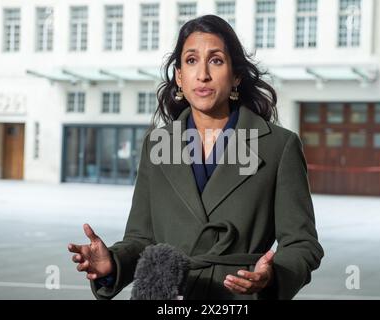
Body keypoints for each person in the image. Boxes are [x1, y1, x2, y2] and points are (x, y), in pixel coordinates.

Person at [68, 15, 324, 300]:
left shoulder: (279, 146)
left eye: (216, 60)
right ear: (179, 76)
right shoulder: (157, 143)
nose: (202, 74)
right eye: (191, 61)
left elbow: (302, 244)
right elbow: (141, 239)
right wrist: (111, 263)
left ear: (236, 74)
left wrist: (272, 276)